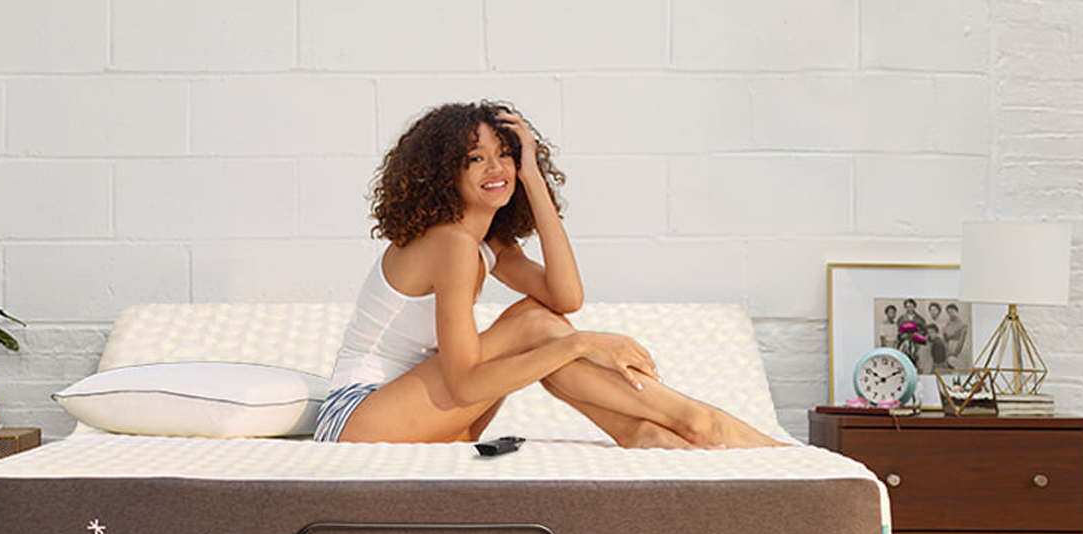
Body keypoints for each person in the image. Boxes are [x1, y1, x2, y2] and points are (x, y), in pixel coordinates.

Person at [314, 101, 780, 450]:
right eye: (476, 158)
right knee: (536, 327)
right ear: (443, 173)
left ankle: (642, 432)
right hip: (359, 419)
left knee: (541, 320)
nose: (496, 168)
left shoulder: (485, 244)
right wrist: (580, 343)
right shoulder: (450, 244)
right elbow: (466, 385)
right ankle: (697, 420)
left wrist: (533, 175)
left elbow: (566, 295)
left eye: (505, 155)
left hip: (421, 417)